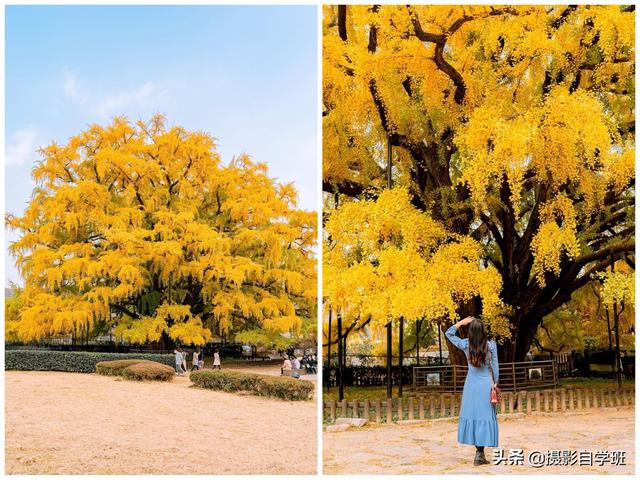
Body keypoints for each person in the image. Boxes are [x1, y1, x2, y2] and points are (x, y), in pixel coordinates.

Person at [445, 299, 499, 467]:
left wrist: (461, 322)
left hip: (471, 385)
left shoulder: (465, 344)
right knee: (484, 417)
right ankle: (480, 453)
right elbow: (495, 368)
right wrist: (494, 385)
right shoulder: (491, 346)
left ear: (470, 331)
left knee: (474, 416)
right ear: (483, 331)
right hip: (485, 384)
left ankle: (479, 453)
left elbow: (448, 333)